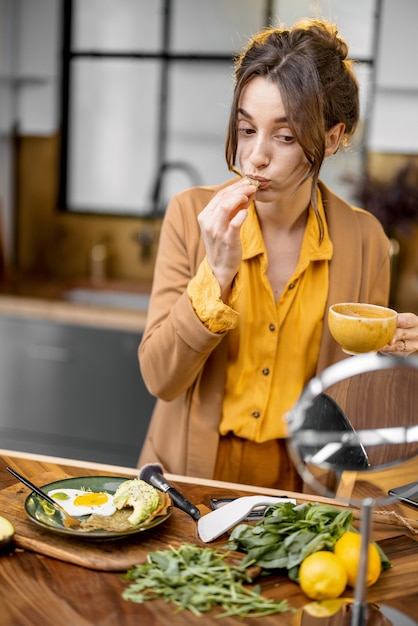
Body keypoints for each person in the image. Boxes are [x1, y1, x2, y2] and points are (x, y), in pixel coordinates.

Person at [137, 18, 418, 491]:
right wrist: (218, 275)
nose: (255, 157)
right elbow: (161, 378)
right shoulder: (190, 215)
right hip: (189, 476)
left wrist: (392, 363)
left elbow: (361, 415)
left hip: (302, 483)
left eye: (284, 137)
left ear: (331, 138)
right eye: (246, 130)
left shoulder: (365, 240)